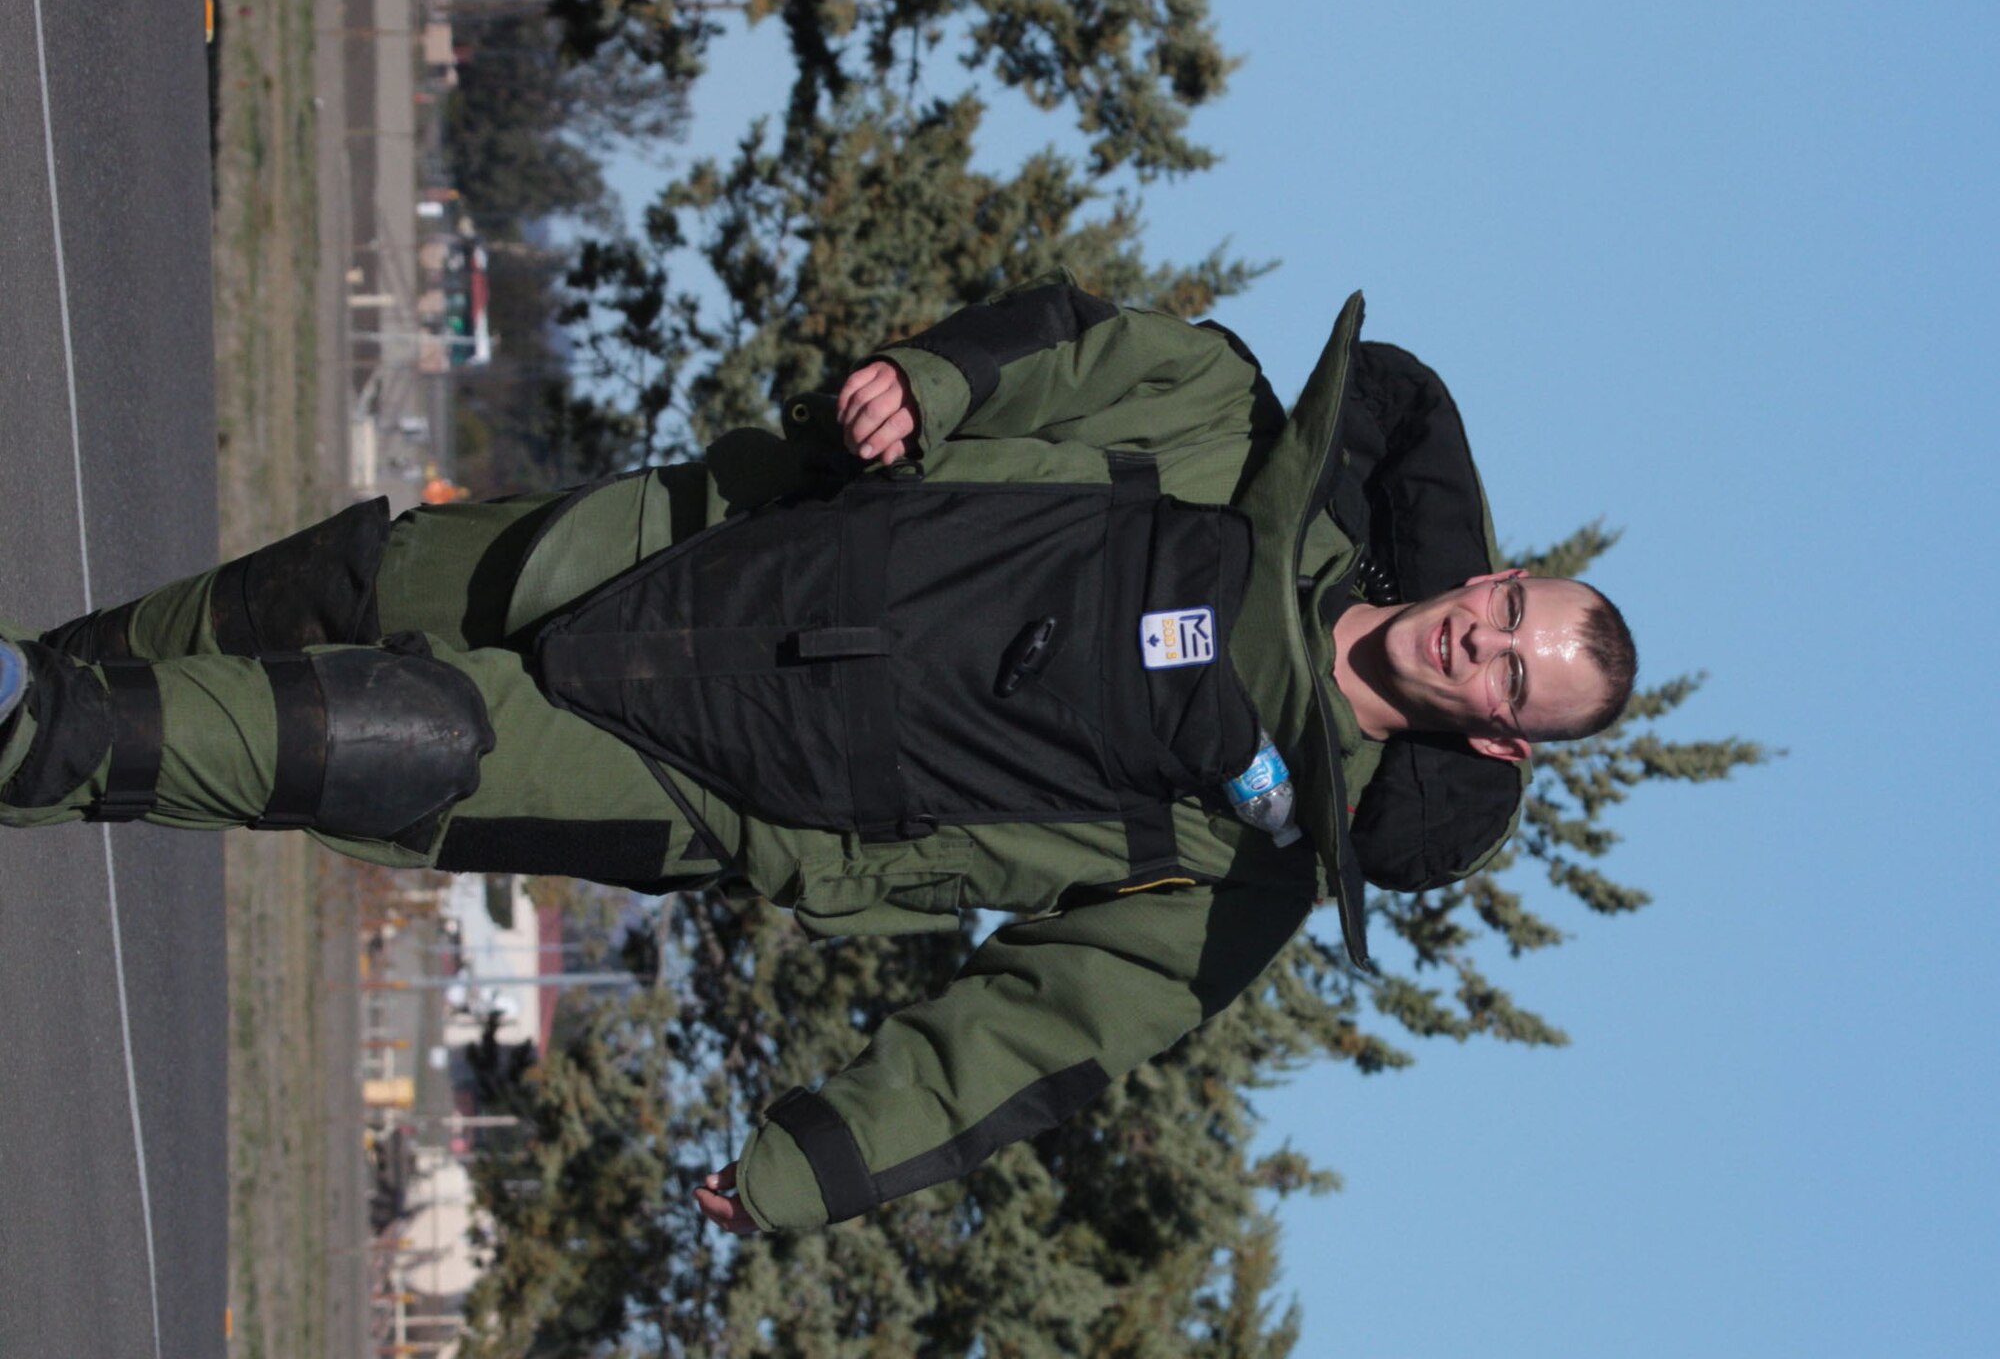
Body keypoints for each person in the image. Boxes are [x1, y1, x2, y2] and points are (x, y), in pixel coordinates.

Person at [0, 271, 1635, 1234]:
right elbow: (1055, 345)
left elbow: (1024, 1042)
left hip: (715, 778)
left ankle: (29, 724)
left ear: (1500, 731)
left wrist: (807, 1170)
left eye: (1513, 675)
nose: (1479, 640)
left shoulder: (1239, 880)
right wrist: (923, 381)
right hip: (704, 541)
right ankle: (44, 691)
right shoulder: (1235, 428)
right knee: (322, 593)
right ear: (1486, 577)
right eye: (1507, 610)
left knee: (364, 742)